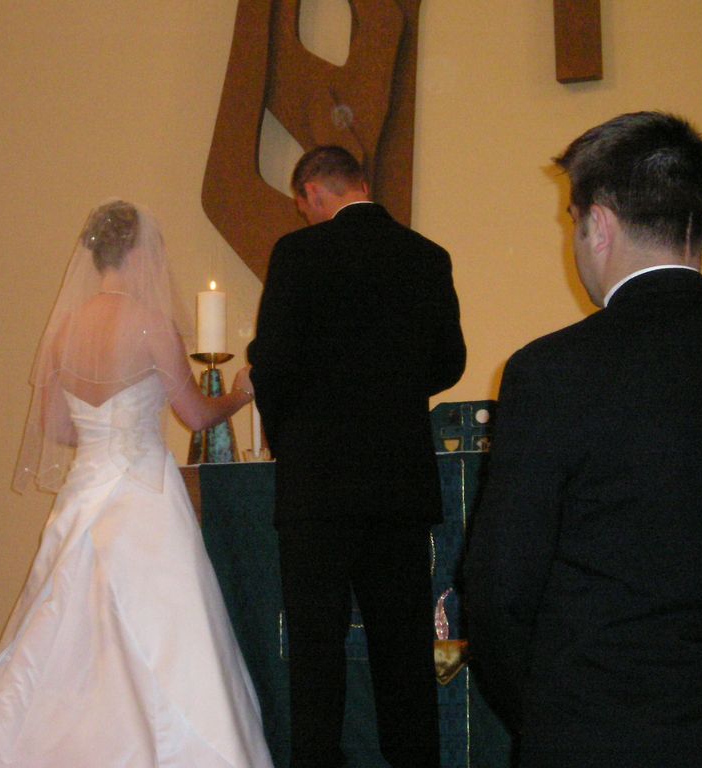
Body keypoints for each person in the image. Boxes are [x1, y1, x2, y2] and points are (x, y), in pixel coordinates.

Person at [463, 112, 702, 767]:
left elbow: (498, 594)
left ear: (597, 224)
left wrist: (552, 718)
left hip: (594, 732)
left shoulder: (553, 371)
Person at [0, 200, 274, 768]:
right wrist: (241, 392)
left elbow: (57, 427)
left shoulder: (64, 331)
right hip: (142, 497)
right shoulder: (151, 322)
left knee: (69, 630)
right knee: (165, 630)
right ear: (136, 252)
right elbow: (197, 416)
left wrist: (106, 435)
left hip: (85, 493)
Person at [247, 146, 466, 768]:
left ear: (311, 192)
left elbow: (275, 365)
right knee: (404, 653)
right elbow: (449, 362)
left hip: (318, 488)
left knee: (317, 656)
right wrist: (392, 393)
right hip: (399, 484)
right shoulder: (428, 257)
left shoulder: (298, 255)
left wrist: (296, 443)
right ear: (363, 183)